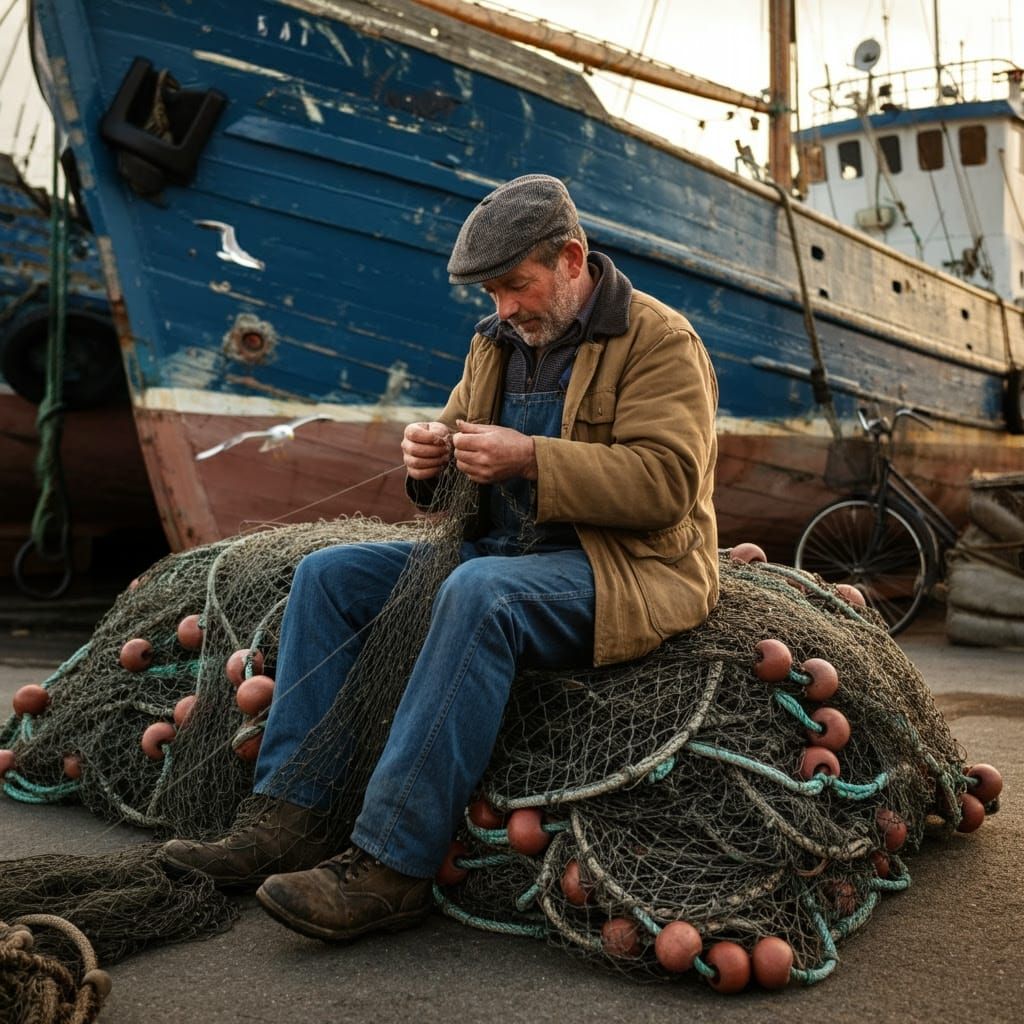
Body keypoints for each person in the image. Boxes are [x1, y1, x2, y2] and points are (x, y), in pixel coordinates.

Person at [160, 173, 720, 943]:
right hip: (506, 547)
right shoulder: (497, 344)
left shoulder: (659, 340)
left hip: (622, 570)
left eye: (515, 286)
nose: (505, 308)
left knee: (479, 591)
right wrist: (427, 462)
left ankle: (393, 866)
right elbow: (453, 469)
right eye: (491, 294)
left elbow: (667, 486)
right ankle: (291, 814)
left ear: (571, 257)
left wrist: (530, 456)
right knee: (329, 576)